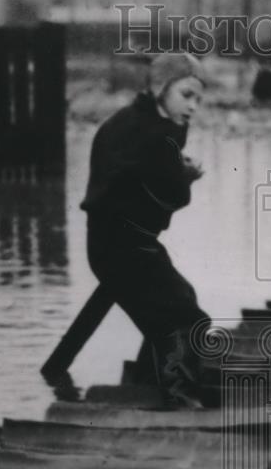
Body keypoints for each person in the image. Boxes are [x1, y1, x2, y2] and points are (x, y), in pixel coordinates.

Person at [80, 52, 210, 409]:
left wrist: (172, 167)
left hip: (115, 244)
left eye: (198, 98)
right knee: (187, 317)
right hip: (123, 249)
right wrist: (185, 176)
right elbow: (170, 198)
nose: (193, 107)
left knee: (171, 312)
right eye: (186, 95)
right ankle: (180, 400)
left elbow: (140, 180)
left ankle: (146, 388)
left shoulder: (133, 121)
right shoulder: (155, 132)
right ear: (159, 90)